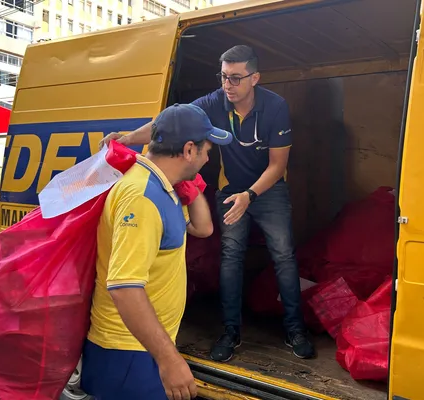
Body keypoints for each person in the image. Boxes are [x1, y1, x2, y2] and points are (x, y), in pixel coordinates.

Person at [102, 45, 316, 362]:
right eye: (224, 77)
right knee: (230, 257)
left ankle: (295, 330)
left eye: (236, 78)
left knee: (283, 255)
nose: (227, 85)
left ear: (254, 78)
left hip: (269, 191)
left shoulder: (275, 107)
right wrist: (127, 138)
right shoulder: (214, 102)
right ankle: (230, 332)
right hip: (230, 191)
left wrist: (251, 195)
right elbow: (169, 122)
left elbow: (277, 165)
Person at [82, 103, 233, 400]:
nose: (208, 156)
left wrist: (190, 184)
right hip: (129, 352)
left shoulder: (164, 188)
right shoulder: (143, 197)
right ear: (189, 150)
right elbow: (124, 287)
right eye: (206, 149)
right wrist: (169, 360)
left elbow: (203, 229)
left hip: (139, 347)